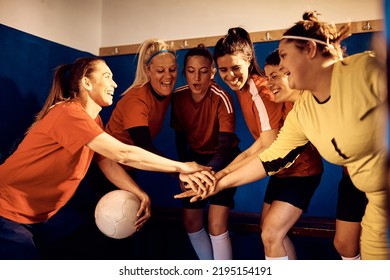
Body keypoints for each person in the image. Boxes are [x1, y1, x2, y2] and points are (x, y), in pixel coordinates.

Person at [177, 12, 389, 260]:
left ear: (310, 50)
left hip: (353, 185)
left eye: (285, 58)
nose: (281, 66)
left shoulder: (363, 71)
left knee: (272, 232)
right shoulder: (303, 112)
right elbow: (271, 156)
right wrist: (217, 184)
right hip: (377, 201)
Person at [0, 57, 214, 260]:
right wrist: (182, 167)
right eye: (107, 77)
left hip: (40, 215)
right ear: (86, 82)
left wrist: (137, 192)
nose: (115, 83)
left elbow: (107, 161)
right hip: (6, 211)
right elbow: (123, 153)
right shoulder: (68, 113)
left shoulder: (94, 120)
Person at [212, 28, 323, 260]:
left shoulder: (259, 91)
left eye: (235, 68)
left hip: (300, 171)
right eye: (223, 70)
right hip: (281, 172)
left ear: (249, 61)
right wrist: (220, 174)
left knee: (271, 234)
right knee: (270, 232)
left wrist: (221, 179)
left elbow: (266, 148)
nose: (230, 75)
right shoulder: (243, 90)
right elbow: (260, 146)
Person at [264, 49, 368, 260]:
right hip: (352, 178)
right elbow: (268, 156)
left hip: (376, 173)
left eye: (276, 75)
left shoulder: (344, 85)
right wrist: (220, 180)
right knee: (344, 245)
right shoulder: (299, 113)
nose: (269, 84)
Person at [171, 44, 241, 260]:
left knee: (216, 224)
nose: (197, 78)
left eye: (203, 71)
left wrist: (208, 174)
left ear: (212, 73)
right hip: (195, 161)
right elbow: (180, 140)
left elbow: (225, 144)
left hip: (225, 160)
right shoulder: (179, 97)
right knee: (191, 222)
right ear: (184, 73)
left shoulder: (222, 98)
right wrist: (183, 172)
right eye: (191, 71)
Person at [105, 38, 177, 160]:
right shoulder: (136, 100)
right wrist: (180, 170)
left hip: (130, 163)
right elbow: (144, 146)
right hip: (108, 163)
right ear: (148, 70)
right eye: (160, 70)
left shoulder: (167, 92)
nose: (168, 76)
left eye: (172, 69)